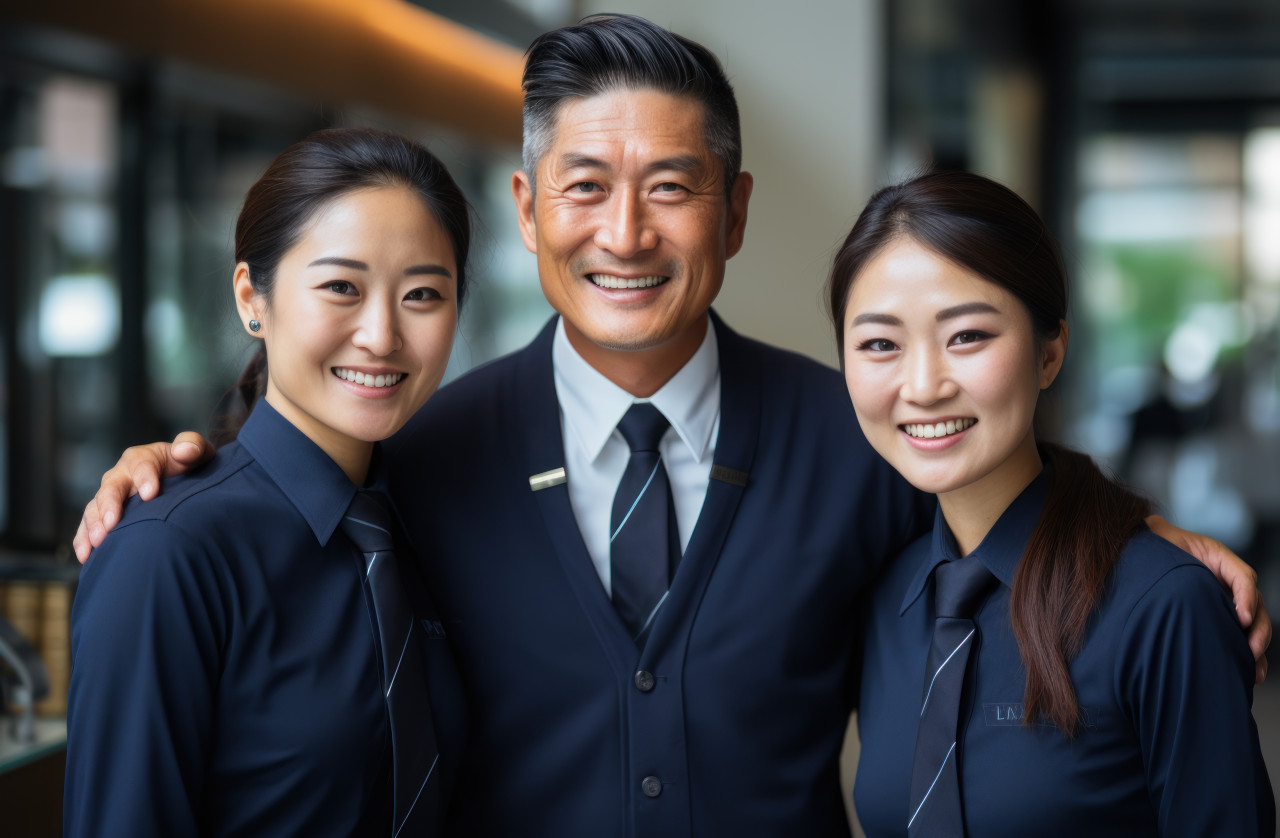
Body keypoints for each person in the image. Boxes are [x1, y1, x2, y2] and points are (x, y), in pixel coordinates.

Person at [70, 15, 1270, 838]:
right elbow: (283, 483)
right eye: (586, 186)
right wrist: (170, 469)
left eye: (673, 188)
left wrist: (1135, 531)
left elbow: (983, 471)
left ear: (735, 212)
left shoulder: (851, 433)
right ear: (530, 211)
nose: (626, 234)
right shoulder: (420, 459)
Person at [832, 171, 1274, 836]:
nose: (921, 386)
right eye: (880, 345)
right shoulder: (884, 598)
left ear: (1050, 352)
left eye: (968, 336)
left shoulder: (1164, 606)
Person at [63, 127, 471, 837]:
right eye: (341, 286)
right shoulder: (167, 555)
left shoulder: (435, 516)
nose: (381, 335)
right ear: (252, 296)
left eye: (423, 294)